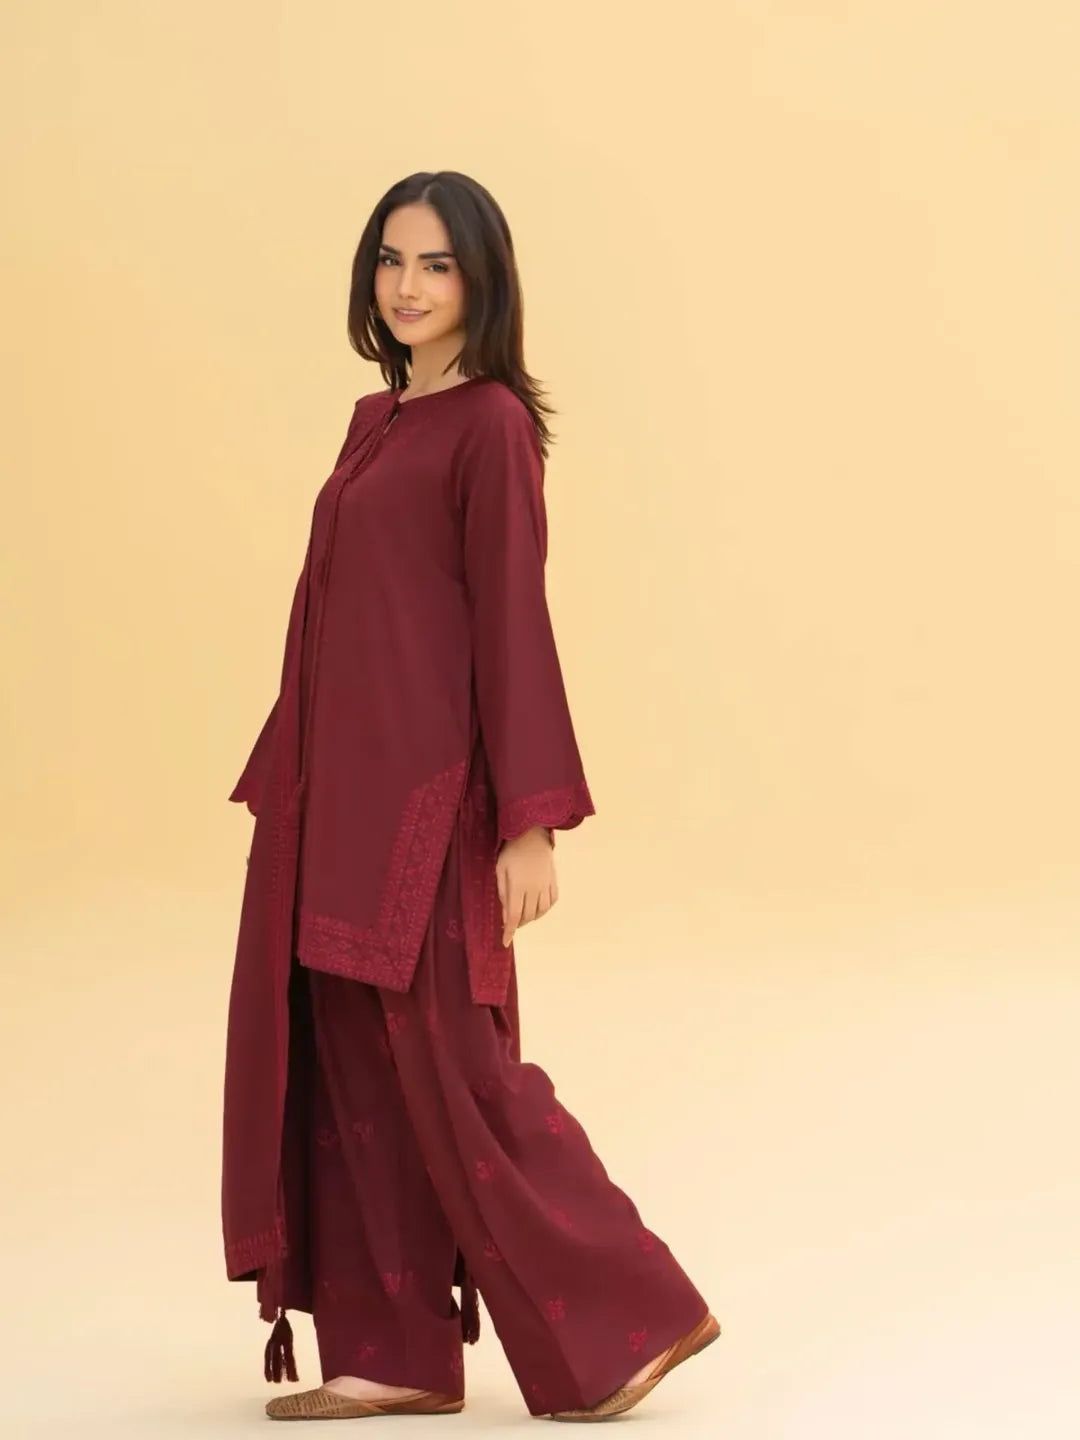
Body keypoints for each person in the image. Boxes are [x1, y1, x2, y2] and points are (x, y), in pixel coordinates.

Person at [220, 169, 719, 1422]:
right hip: (332, 804)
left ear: (481, 278)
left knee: (461, 1073)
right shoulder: (376, 423)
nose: (408, 285)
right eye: (392, 260)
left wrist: (529, 819)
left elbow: (511, 621)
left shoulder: (490, 426)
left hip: (428, 811)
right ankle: (392, 1356)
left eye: (436, 264)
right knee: (357, 1083)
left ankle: (633, 1317)